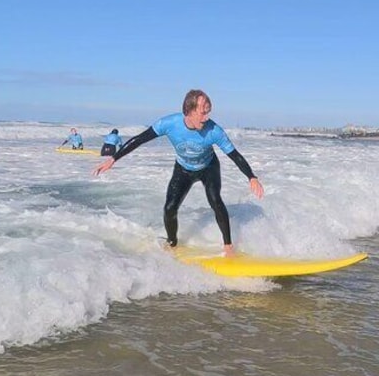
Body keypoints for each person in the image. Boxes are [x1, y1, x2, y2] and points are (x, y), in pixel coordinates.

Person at [93, 89, 264, 256]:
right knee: (169, 208)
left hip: (208, 167)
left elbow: (235, 155)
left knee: (216, 201)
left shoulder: (214, 131)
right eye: (203, 113)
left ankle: (228, 247)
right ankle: (172, 243)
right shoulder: (169, 124)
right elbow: (139, 139)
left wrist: (251, 176)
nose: (207, 118)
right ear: (189, 111)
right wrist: (113, 159)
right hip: (183, 169)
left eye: (208, 112)